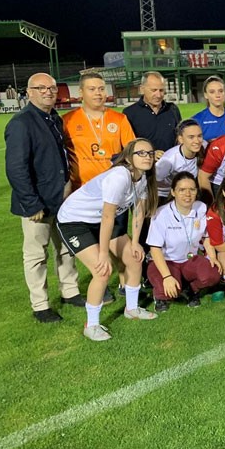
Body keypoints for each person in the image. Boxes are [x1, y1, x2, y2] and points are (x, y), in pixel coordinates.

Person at [56, 139, 159, 341]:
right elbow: (107, 217)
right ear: (129, 157)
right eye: (141, 153)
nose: (147, 156)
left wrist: (136, 241)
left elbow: (138, 212)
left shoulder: (143, 176)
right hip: (75, 220)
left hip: (99, 220)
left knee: (134, 258)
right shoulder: (119, 176)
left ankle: (132, 309)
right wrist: (104, 254)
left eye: (150, 153)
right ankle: (91, 325)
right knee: (103, 271)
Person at [5, 73, 80, 323]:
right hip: (38, 203)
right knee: (37, 254)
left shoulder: (53, 118)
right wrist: (31, 203)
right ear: (29, 91)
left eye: (51, 87)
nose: (48, 91)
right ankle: (40, 305)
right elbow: (16, 168)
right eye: (41, 88)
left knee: (66, 248)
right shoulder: (21, 123)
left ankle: (70, 291)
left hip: (62, 199)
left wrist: (68, 182)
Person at [147, 172, 221, 312]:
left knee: (213, 274)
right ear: (173, 192)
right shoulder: (161, 214)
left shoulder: (201, 208)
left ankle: (192, 289)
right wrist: (167, 276)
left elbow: (206, 236)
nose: (187, 194)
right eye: (182, 190)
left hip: (189, 259)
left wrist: (212, 256)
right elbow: (155, 248)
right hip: (166, 261)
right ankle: (160, 296)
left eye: (192, 189)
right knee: (169, 290)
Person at [63, 72, 136, 190]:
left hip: (113, 187)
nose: (98, 93)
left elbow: (131, 151)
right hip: (80, 189)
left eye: (101, 89)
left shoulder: (119, 119)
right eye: (92, 89)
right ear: (81, 92)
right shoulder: (67, 120)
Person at [123, 71, 182, 155]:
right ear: (142, 89)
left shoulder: (172, 109)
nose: (158, 95)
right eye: (154, 90)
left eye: (161, 90)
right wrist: (150, 153)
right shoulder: (130, 113)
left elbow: (179, 137)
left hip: (171, 163)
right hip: (144, 164)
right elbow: (129, 145)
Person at [155, 119, 204, 199]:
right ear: (181, 139)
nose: (197, 141)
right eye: (191, 137)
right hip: (164, 195)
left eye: (199, 136)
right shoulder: (168, 160)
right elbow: (154, 180)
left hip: (187, 192)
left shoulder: (204, 147)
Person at [191, 75, 225, 143]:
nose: (217, 95)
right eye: (212, 92)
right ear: (206, 95)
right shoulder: (197, 120)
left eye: (220, 91)